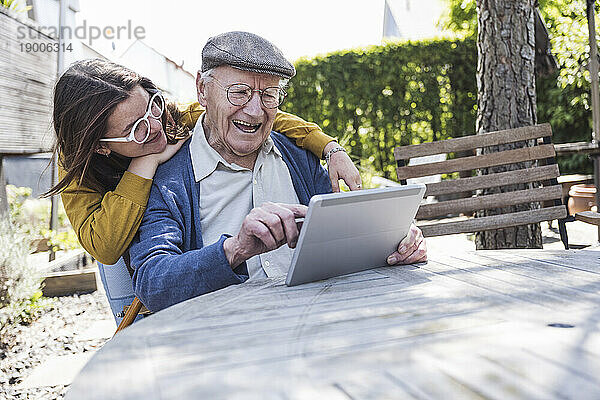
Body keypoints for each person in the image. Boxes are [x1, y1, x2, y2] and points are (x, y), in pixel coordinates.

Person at [129, 31, 427, 312]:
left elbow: (347, 238)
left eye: (269, 95)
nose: (256, 111)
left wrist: (396, 242)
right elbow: (152, 283)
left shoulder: (298, 157)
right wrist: (235, 249)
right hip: (225, 338)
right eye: (240, 92)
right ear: (203, 90)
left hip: (316, 320)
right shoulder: (169, 177)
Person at [44, 59, 361, 266]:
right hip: (139, 254)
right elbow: (106, 246)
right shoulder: (77, 167)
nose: (154, 126)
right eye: (135, 129)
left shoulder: (170, 116)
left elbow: (262, 118)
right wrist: (146, 163)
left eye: (151, 106)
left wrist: (331, 148)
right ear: (100, 147)